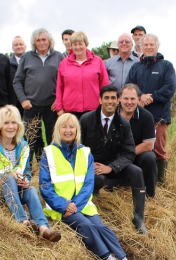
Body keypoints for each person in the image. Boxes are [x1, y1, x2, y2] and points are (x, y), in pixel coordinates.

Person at [40, 113, 144, 260]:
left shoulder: (85, 152)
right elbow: (44, 186)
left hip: (82, 204)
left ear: (76, 130)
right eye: (64, 127)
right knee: (86, 226)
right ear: (58, 130)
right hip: (60, 206)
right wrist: (65, 205)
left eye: (71, 126)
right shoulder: (49, 153)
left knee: (100, 226)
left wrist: (76, 205)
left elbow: (88, 184)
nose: (68, 130)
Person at [0, 105, 61, 242]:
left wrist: (25, 180)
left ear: (18, 125)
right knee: (8, 178)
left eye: (14, 123)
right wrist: (9, 176)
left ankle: (43, 229)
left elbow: (27, 172)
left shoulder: (22, 146)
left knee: (30, 189)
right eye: (6, 123)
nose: (10, 127)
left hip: (13, 191)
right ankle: (23, 221)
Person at [80, 84, 147, 234]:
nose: (110, 101)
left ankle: (139, 219)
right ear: (100, 100)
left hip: (113, 166)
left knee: (136, 172)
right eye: (106, 98)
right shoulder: (86, 119)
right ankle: (92, 202)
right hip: (91, 166)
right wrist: (90, 165)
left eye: (113, 98)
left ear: (118, 101)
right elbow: (78, 146)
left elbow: (129, 152)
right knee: (98, 180)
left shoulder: (123, 123)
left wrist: (111, 167)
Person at [126, 33, 176, 185]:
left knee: (159, 148)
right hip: (138, 115)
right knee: (139, 147)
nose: (148, 47)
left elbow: (169, 88)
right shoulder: (136, 67)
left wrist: (151, 97)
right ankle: (140, 180)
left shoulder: (166, 66)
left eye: (151, 45)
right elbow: (129, 86)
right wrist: (140, 96)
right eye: (145, 45)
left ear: (157, 46)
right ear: (140, 47)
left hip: (159, 115)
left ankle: (160, 182)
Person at [13, 28, 64, 161]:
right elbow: (17, 81)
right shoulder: (26, 57)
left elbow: (66, 81)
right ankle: (28, 169)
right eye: (38, 40)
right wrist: (23, 99)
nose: (41, 43)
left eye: (44, 39)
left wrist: (59, 100)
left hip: (51, 106)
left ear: (49, 41)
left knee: (53, 138)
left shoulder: (59, 57)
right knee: (30, 139)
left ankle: (53, 166)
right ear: (34, 42)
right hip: (31, 105)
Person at [54, 31, 110, 120]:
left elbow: (105, 85)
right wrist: (59, 108)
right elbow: (60, 87)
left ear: (86, 44)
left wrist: (105, 105)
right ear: (71, 46)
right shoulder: (64, 63)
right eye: (75, 44)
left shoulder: (98, 61)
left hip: (93, 110)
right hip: (70, 110)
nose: (78, 47)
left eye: (80, 44)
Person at [119, 83, 158, 198]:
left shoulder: (147, 116)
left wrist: (127, 155)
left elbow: (148, 145)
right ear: (120, 99)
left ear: (138, 99)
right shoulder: (111, 114)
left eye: (133, 99)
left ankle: (148, 195)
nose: (129, 102)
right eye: (126, 98)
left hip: (137, 155)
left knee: (150, 158)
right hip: (115, 155)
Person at [8, 36, 27, 114]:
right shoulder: (7, 64)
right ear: (12, 48)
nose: (19, 47)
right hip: (13, 103)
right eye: (16, 45)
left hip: (29, 102)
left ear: (25, 46)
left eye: (21, 44)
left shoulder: (32, 62)